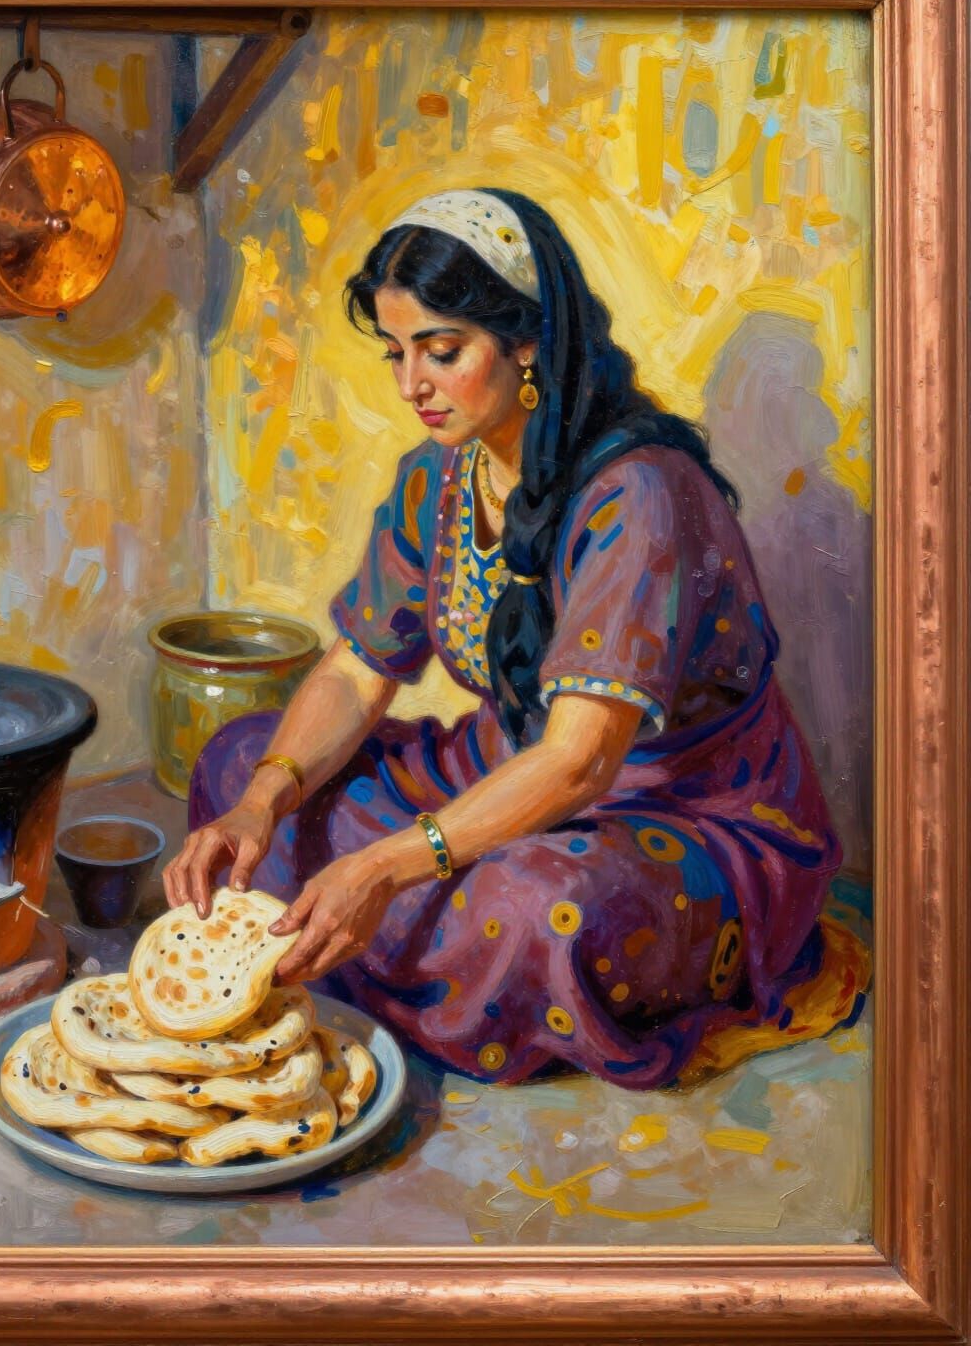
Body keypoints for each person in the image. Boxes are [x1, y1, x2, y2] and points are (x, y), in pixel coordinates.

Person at [162, 188, 844, 1089]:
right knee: (240, 761)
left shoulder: (640, 494)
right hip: (499, 773)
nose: (413, 385)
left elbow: (577, 765)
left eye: (442, 352)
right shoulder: (434, 482)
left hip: (671, 814)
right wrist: (261, 801)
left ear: (527, 344)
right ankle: (377, 930)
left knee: (536, 908)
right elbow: (361, 668)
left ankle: (376, 937)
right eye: (397, 354)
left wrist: (387, 864)